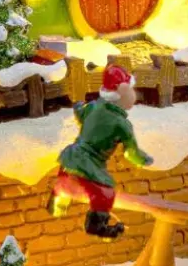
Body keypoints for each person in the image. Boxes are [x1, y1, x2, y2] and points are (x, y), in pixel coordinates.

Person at [49, 64, 152, 238]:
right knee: (105, 194)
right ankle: (97, 227)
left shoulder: (92, 107)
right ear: (122, 93)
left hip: (71, 157)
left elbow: (80, 112)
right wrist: (144, 160)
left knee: (65, 180)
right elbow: (131, 153)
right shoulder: (122, 125)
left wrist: (78, 105)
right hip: (90, 165)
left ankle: (57, 204)